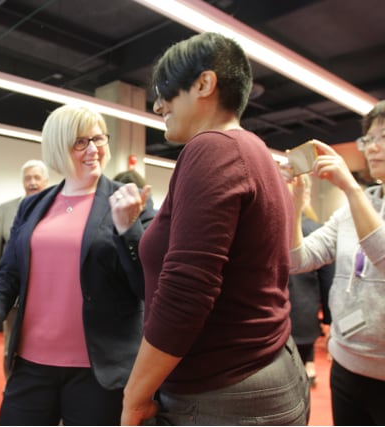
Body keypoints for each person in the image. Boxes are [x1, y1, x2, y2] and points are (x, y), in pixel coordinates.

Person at [121, 32, 310, 426]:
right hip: (264, 368)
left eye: (166, 92)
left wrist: (134, 396)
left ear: (204, 84)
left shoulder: (213, 148)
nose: (158, 106)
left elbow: (187, 289)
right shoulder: (255, 151)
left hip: (224, 391)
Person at [0, 104, 156, 425]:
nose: (93, 149)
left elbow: (146, 285)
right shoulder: (33, 206)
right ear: (59, 147)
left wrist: (129, 229)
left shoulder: (130, 201)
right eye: (80, 142)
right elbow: (9, 272)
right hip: (32, 363)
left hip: (99, 369)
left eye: (99, 139)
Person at [285, 100, 385, 425]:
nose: (373, 147)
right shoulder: (351, 209)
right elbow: (296, 259)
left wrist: (351, 188)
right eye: (368, 139)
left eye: (383, 137)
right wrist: (297, 206)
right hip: (346, 361)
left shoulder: (355, 199)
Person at [0, 159, 49, 379]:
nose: (32, 182)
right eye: (27, 178)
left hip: (45, 292)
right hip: (14, 292)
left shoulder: (55, 207)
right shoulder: (7, 208)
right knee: (11, 345)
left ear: (46, 181)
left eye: (37, 178)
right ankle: (10, 386)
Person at [286, 174, 333, 386]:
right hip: (304, 316)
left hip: (272, 318)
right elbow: (327, 280)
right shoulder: (317, 228)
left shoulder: (268, 225)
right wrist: (328, 320)